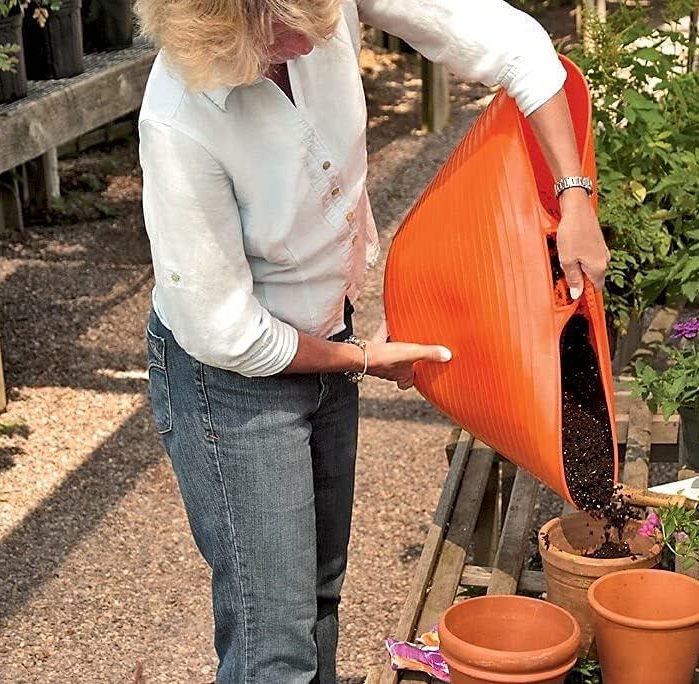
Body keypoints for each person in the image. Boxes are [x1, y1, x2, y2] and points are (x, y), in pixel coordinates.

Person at [134, 0, 611, 681]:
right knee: (275, 636)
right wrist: (360, 359)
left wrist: (573, 198)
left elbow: (518, 48)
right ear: (228, 23)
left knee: (320, 591)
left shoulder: (319, 10)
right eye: (288, 30)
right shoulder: (181, 119)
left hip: (323, 331)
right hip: (229, 382)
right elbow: (225, 331)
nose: (321, 36)